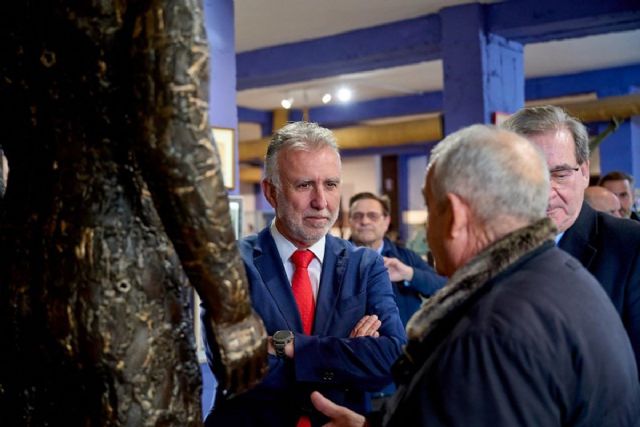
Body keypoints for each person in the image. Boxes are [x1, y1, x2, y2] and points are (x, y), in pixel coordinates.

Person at [309, 124, 640, 426]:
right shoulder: (559, 277)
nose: (429, 227)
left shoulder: (492, 330)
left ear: (453, 215)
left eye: (429, 207)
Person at [201, 121, 406, 427]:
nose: (321, 201)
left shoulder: (365, 266)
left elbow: (391, 359)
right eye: (304, 185)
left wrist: (289, 345)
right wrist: (347, 354)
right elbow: (233, 364)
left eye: (331, 185)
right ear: (271, 192)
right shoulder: (231, 264)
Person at [502, 105, 640, 374]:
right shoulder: (488, 248)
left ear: (585, 172)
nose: (546, 192)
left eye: (560, 174)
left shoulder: (631, 247)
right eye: (529, 175)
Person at [348, 192, 445, 326]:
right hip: (352, 345)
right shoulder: (334, 261)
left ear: (386, 221)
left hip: (402, 345)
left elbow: (443, 287)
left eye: (373, 216)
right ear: (350, 221)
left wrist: (409, 274)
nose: (365, 221)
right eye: (358, 216)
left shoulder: (406, 258)